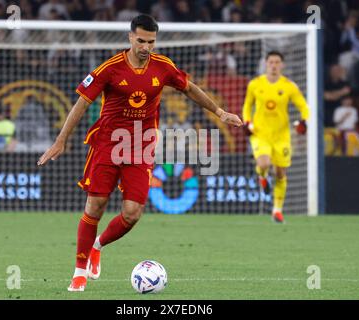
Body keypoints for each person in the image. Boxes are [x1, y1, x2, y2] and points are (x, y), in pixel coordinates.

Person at [37, 14, 242, 292]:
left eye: (151, 42)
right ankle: (79, 272)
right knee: (94, 207)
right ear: (131, 37)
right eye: (141, 41)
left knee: (132, 214)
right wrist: (60, 141)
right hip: (108, 146)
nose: (146, 47)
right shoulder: (110, 68)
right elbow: (81, 104)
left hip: (141, 148)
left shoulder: (163, 67)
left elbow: (189, 89)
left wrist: (219, 111)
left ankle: (98, 246)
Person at [242, 51, 310, 223]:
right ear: (266, 63)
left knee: (280, 173)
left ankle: (277, 210)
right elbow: (247, 105)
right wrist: (247, 122)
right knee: (264, 163)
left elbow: (303, 106)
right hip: (260, 133)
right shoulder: (255, 84)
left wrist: (304, 121)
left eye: (277, 62)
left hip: (281, 136)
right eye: (271, 62)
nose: (274, 65)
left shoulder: (289, 86)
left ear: (282, 65)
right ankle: (262, 177)